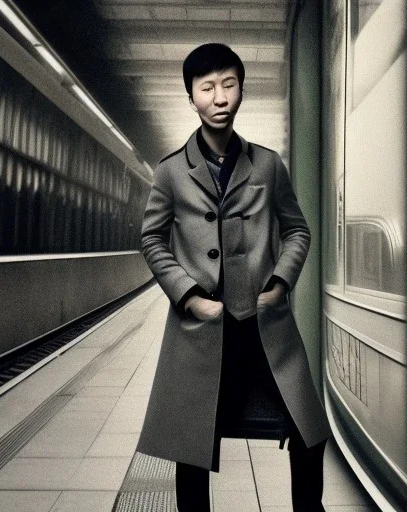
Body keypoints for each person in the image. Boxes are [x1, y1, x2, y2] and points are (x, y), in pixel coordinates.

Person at [138, 43, 331, 511]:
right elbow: (151, 240)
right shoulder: (170, 172)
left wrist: (280, 284)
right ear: (192, 97)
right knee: (192, 445)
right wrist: (188, 297)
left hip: (265, 326)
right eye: (207, 88)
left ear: (240, 89)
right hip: (202, 327)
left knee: (309, 431)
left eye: (228, 85)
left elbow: (298, 230)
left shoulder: (266, 164)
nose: (219, 97)